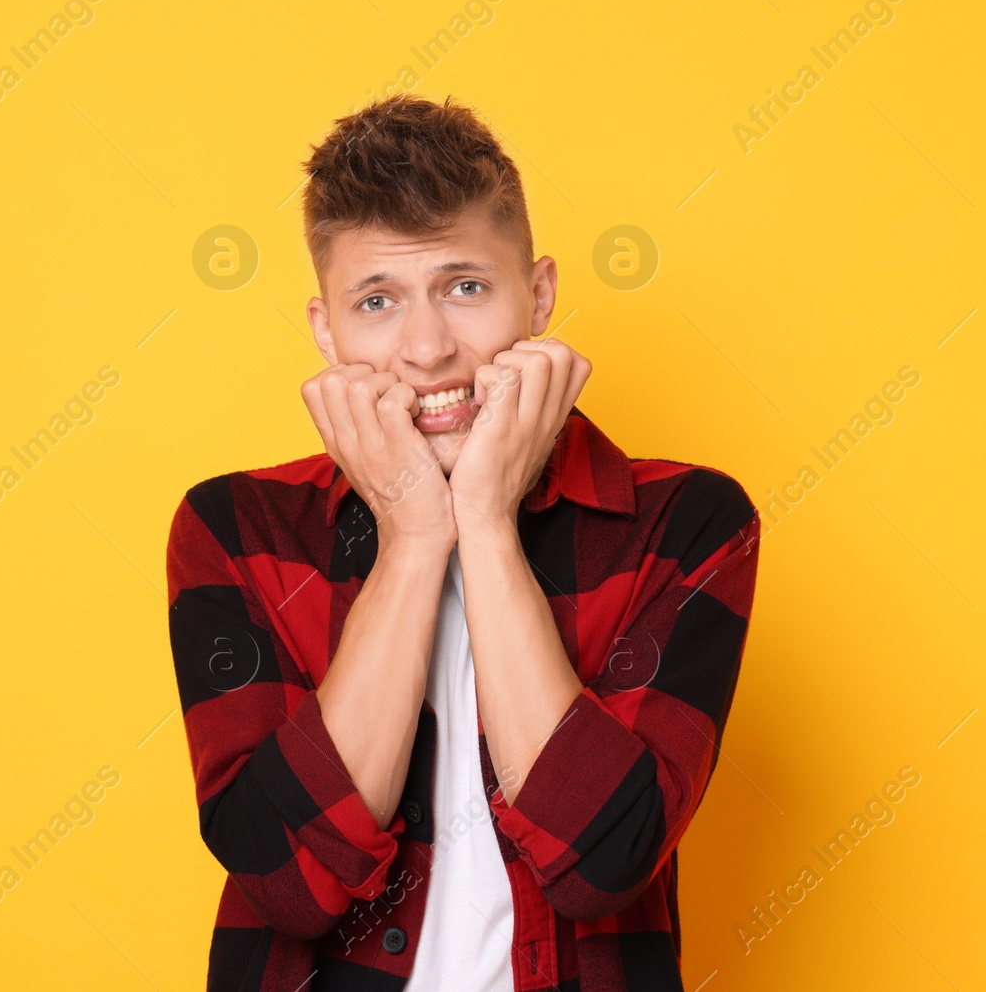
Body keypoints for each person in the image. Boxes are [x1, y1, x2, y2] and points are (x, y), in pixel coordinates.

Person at [167, 94, 761, 991]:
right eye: (377, 301)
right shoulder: (237, 529)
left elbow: (602, 860)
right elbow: (286, 881)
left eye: (466, 287)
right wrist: (413, 533)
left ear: (542, 294)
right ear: (327, 332)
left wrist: (484, 518)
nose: (429, 347)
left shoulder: (687, 524)